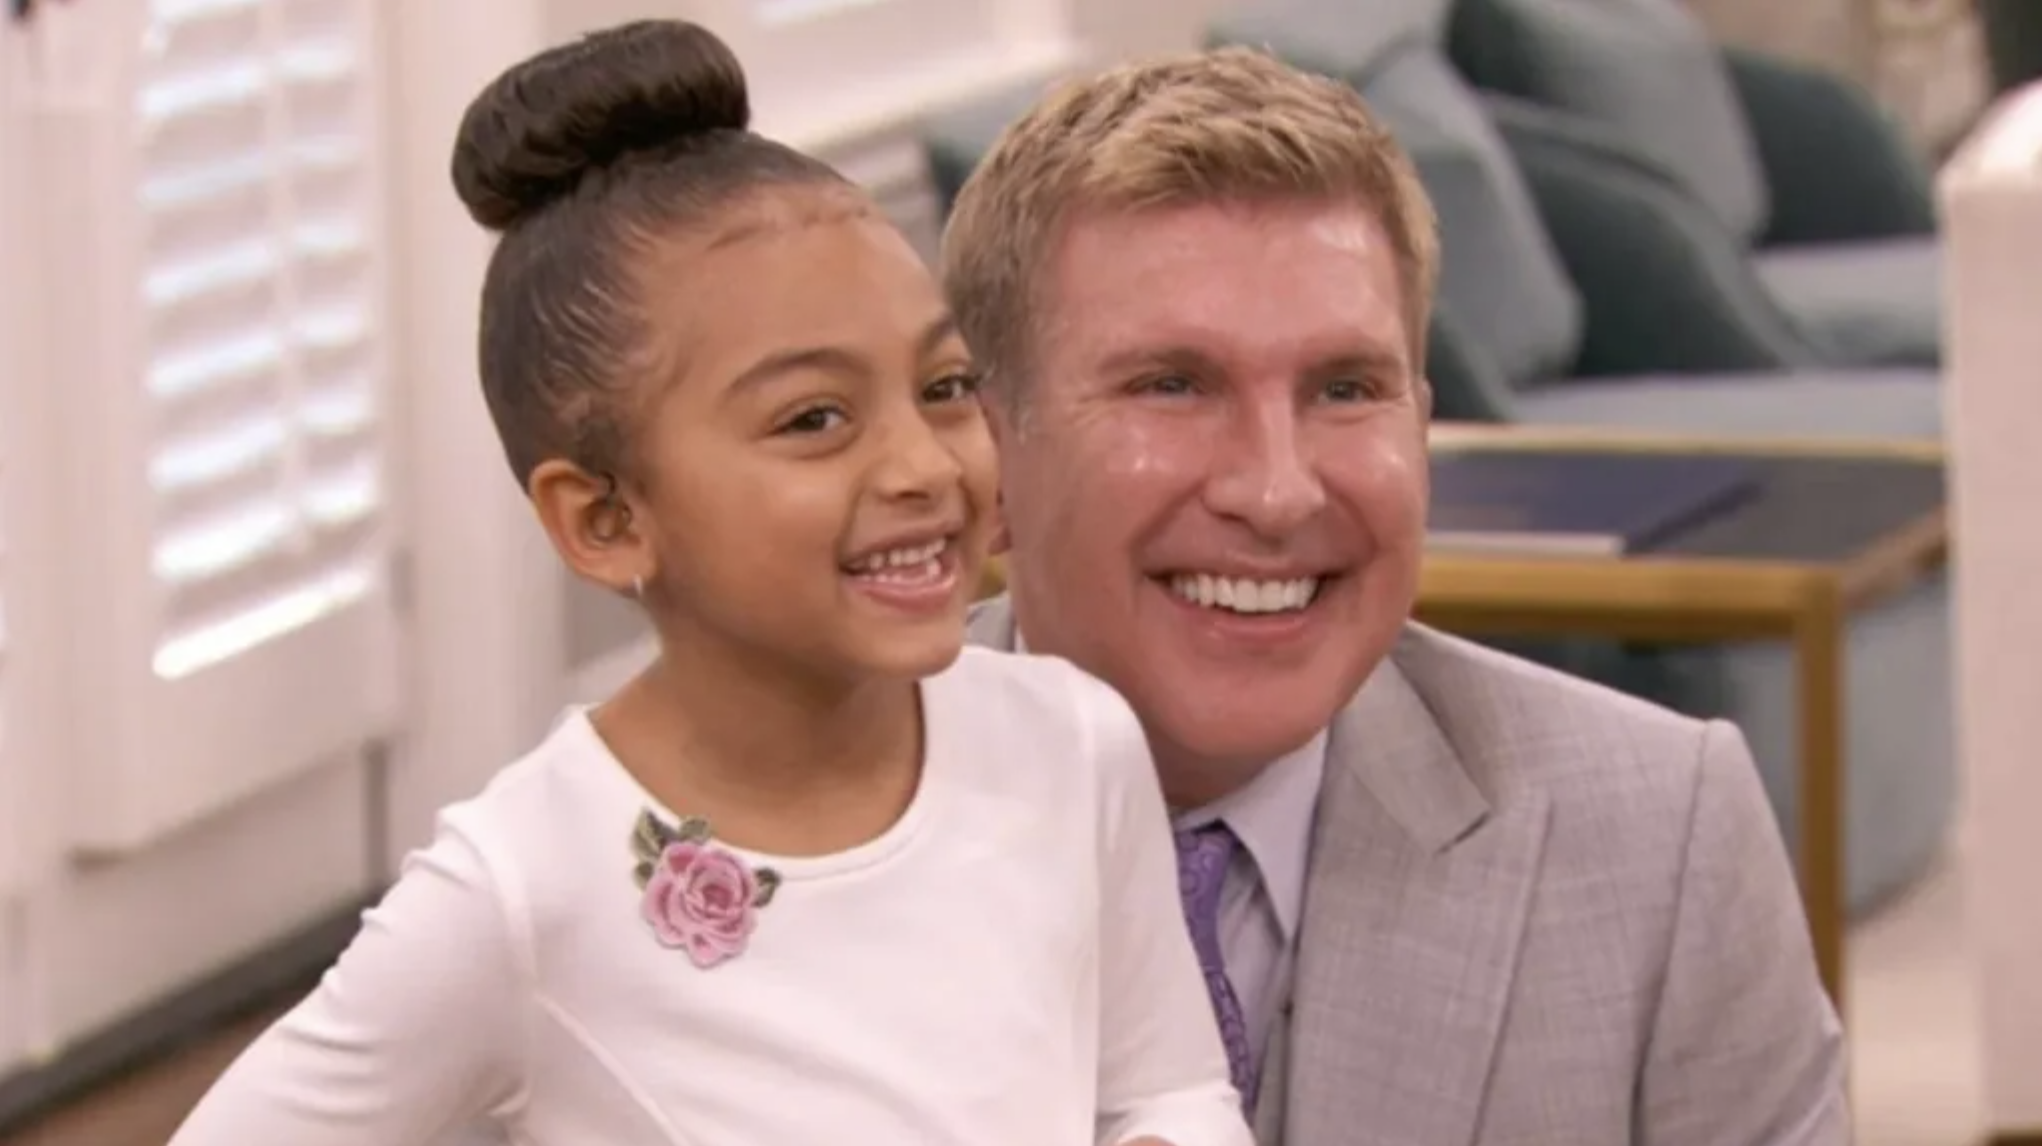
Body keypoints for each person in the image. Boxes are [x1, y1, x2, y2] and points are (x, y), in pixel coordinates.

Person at [165, 21, 1254, 1146]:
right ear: (604, 521)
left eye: (942, 386)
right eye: (814, 418)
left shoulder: (1071, 743)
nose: (924, 466)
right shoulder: (526, 886)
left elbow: (1167, 1088)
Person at [943, 46, 1848, 1146]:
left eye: (1344, 389)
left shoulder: (1664, 839)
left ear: (1419, 429)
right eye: (1172, 386)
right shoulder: (780, 856)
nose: (1277, 491)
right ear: (983, 457)